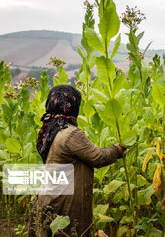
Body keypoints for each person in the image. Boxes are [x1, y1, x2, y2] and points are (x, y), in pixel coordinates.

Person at [28, 85, 126, 237]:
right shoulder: (71, 134)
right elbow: (99, 157)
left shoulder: (51, 129)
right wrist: (117, 150)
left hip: (49, 198)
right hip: (64, 202)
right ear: (72, 106)